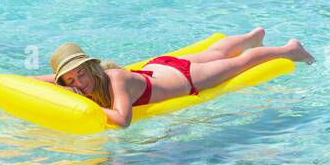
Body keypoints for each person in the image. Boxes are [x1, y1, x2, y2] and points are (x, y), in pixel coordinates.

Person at [34, 29, 314, 127]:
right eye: (70, 80)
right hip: (159, 67)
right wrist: (62, 85)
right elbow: (38, 82)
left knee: (239, 63)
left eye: (81, 74)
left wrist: (82, 104)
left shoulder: (114, 78)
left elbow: (122, 120)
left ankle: (291, 50)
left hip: (185, 79)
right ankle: (252, 36)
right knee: (215, 50)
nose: (79, 83)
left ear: (90, 68)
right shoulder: (76, 81)